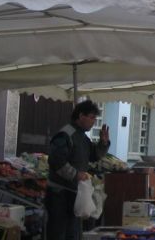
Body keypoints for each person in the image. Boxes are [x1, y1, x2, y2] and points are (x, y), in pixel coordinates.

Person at [46, 100, 110, 240]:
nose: (94, 121)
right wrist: (76, 174)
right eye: (92, 117)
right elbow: (56, 161)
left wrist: (103, 143)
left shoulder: (82, 137)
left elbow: (94, 155)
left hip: (74, 193)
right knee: (58, 232)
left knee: (73, 232)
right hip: (59, 193)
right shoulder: (66, 134)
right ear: (81, 116)